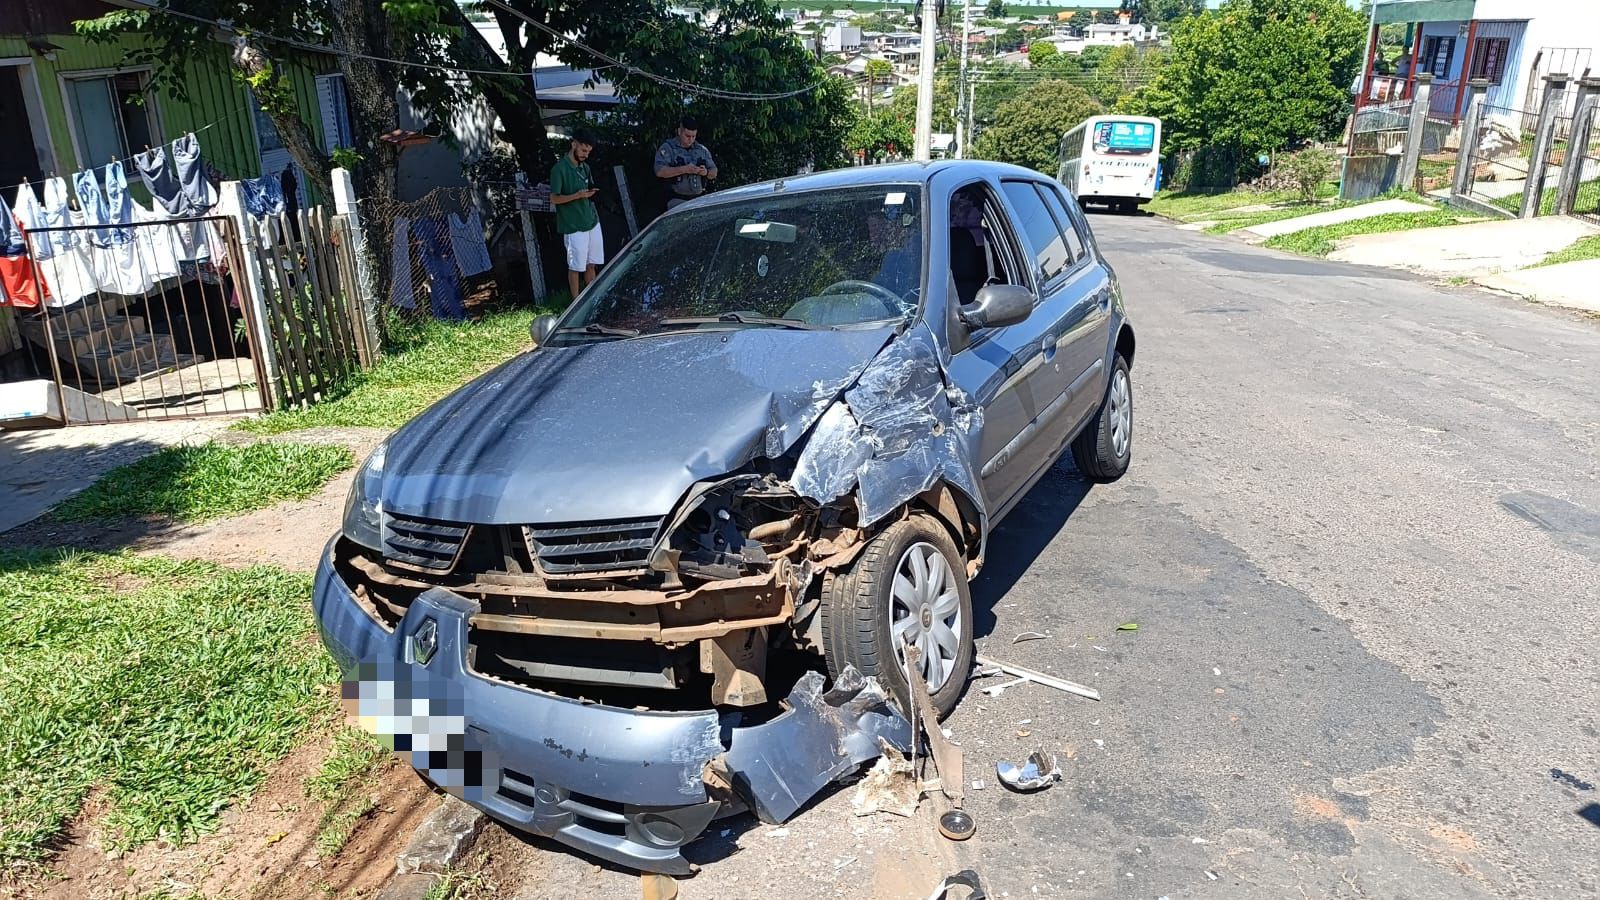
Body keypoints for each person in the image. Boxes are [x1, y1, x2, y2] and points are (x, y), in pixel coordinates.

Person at [551, 128, 602, 299]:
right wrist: (577, 195)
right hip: (573, 225)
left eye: (588, 151)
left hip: (591, 221)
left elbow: (587, 189)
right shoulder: (559, 169)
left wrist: (589, 193)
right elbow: (554, 199)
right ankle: (575, 303)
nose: (585, 154)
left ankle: (592, 300)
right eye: (583, 150)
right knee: (575, 266)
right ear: (573, 144)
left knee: (591, 263)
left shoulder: (585, 167)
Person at [655, 116, 717, 210]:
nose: (690, 139)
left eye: (693, 136)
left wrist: (706, 173)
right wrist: (684, 169)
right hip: (676, 199)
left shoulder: (701, 150)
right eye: (687, 136)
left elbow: (714, 171)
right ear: (679, 131)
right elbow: (659, 171)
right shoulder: (668, 148)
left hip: (699, 199)